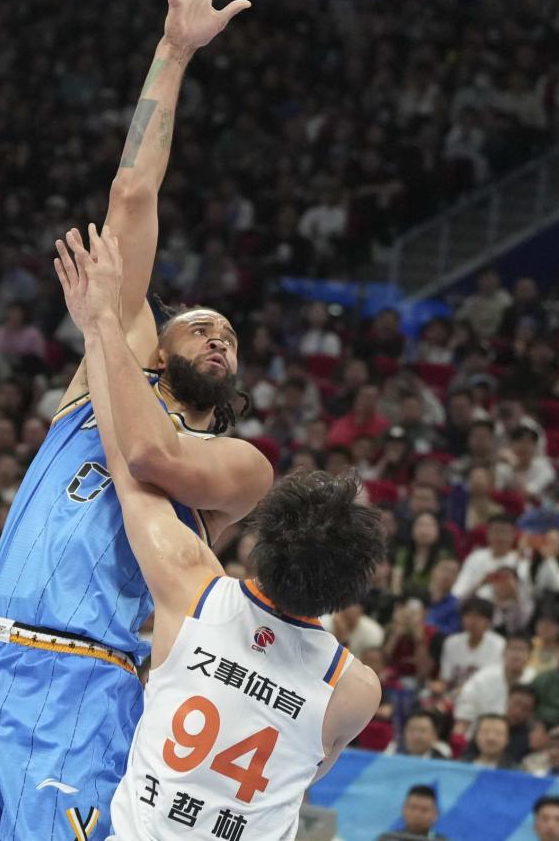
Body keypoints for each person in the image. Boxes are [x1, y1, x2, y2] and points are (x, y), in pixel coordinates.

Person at [0, 0, 268, 840]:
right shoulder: (103, 369)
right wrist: (173, 50)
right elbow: (132, 195)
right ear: (157, 341)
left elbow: (151, 453)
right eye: (199, 323)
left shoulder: (238, 463)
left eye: (229, 335)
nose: (217, 335)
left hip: (87, 681)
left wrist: (101, 327)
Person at [58, 238, 384, 837]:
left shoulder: (195, 591)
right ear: (350, 586)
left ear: (263, 539)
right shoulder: (357, 690)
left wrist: (100, 325)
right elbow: (302, 775)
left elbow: (130, 465)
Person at [453, 634, 534, 735]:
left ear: (530, 656)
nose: (516, 655)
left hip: (517, 734)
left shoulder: (533, 679)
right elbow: (465, 709)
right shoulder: (484, 676)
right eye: (513, 649)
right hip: (480, 733)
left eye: (522, 650)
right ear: (503, 653)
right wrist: (459, 733)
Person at [437, 596, 505, 694]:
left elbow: (494, 682)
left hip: (485, 695)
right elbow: (445, 679)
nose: (473, 621)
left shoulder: (499, 644)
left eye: (478, 617)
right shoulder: (451, 642)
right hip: (453, 695)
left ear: (488, 621)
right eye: (468, 616)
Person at [378, 785, 451, 841]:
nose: (417, 815)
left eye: (424, 810)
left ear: (435, 814)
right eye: (413, 808)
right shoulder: (388, 839)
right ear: (404, 809)